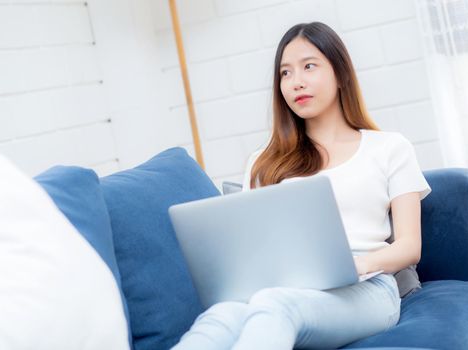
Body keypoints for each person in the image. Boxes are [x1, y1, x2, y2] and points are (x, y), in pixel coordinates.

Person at [172, 22, 431, 350]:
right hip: (285, 285)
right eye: (285, 73)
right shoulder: (264, 162)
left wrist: (352, 266)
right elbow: (253, 250)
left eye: (309, 66)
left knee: (276, 306)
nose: (296, 82)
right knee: (220, 316)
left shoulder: (390, 147)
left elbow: (409, 246)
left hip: (368, 289)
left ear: (340, 74)